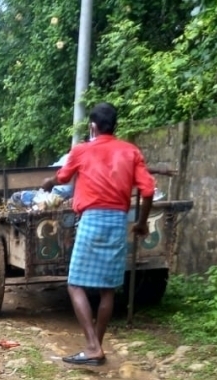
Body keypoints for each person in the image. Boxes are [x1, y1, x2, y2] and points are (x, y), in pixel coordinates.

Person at [42, 102, 155, 366]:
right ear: (114, 125)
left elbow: (63, 177)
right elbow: (148, 191)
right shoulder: (130, 151)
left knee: (74, 283)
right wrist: (141, 223)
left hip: (92, 220)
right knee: (107, 290)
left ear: (92, 126)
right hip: (118, 221)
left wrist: (49, 182)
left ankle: (93, 347)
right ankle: (96, 347)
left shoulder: (82, 150)